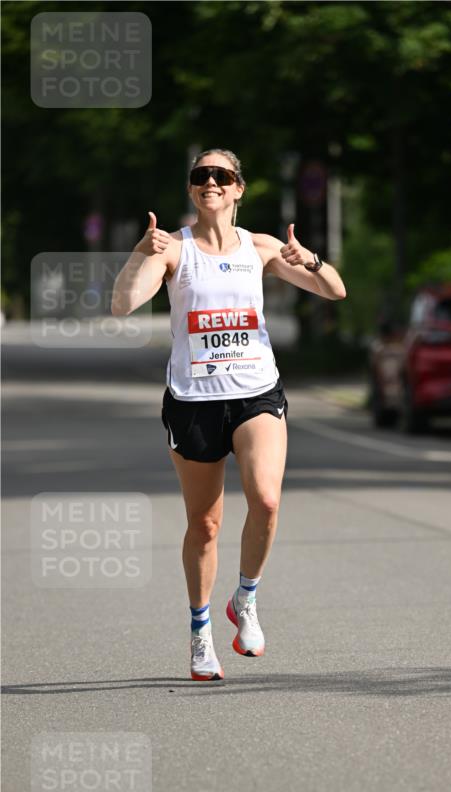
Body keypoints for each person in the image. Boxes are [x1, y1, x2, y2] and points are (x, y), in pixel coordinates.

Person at [112, 148, 346, 681]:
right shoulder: (174, 248)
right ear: (192, 189)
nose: (211, 183)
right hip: (194, 401)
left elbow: (335, 289)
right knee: (206, 522)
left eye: (222, 176)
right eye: (201, 176)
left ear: (239, 188)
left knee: (265, 499)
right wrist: (136, 256)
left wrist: (307, 259)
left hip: (256, 392)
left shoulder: (261, 248)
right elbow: (123, 304)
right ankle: (200, 633)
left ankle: (245, 599)